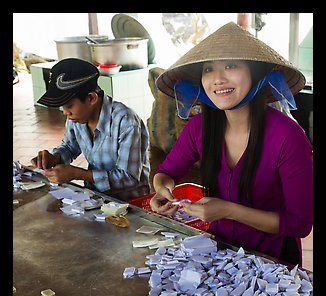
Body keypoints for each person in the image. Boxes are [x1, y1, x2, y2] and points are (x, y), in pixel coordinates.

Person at [150, 22, 313, 267]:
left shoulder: (288, 137)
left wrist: (227, 210)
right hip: (220, 250)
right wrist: (162, 190)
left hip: (273, 260)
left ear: (256, 74)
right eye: (208, 69)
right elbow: (166, 173)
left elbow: (300, 224)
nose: (217, 79)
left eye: (230, 65)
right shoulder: (199, 127)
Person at [31, 58, 150, 201]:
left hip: (130, 203)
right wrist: (54, 158)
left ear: (91, 98)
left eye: (68, 105)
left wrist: (77, 173)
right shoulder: (77, 117)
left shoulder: (126, 122)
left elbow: (129, 178)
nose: (65, 112)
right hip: (96, 198)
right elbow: (69, 146)